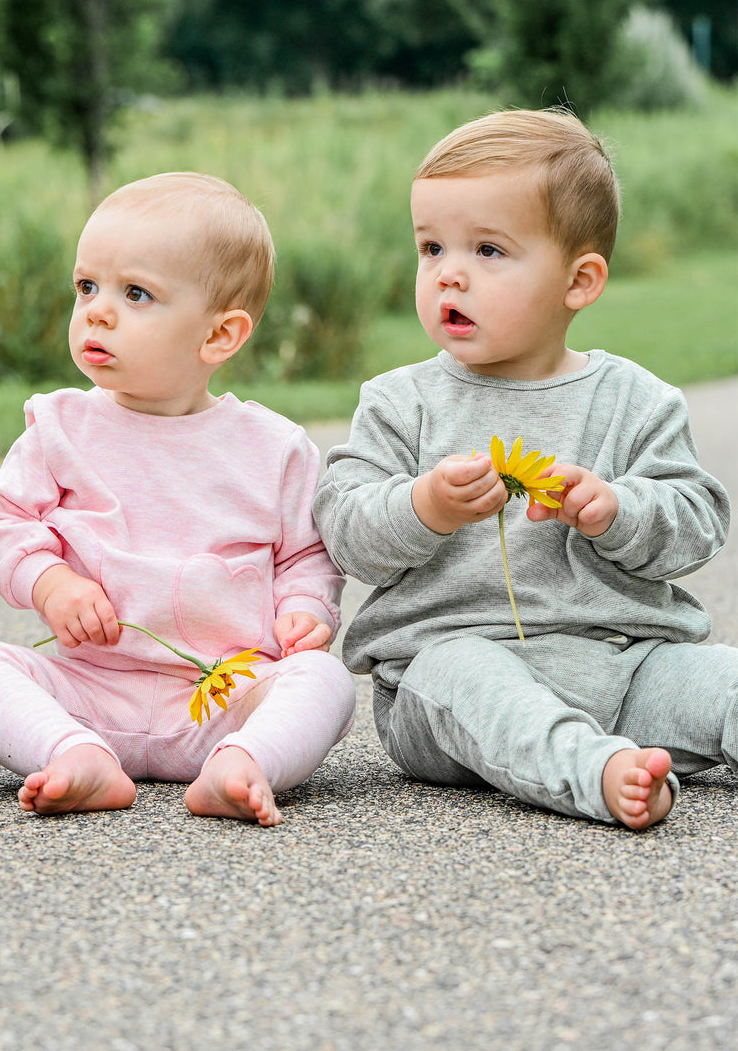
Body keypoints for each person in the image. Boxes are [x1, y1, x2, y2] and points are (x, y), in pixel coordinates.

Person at [313, 107, 732, 831]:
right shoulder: (400, 402)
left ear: (580, 280)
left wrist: (616, 510)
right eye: (431, 247)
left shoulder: (635, 400)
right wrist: (425, 506)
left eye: (488, 251)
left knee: (726, 679)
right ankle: (591, 770)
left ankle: (608, 747)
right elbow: (345, 527)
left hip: (628, 666)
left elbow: (697, 522)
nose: (450, 274)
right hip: (443, 680)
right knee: (470, 677)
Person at [0, 172, 355, 826]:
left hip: (223, 691)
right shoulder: (60, 427)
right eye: (87, 287)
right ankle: (75, 755)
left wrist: (305, 609)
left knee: (326, 684)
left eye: (135, 293)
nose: (98, 311)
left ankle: (244, 762)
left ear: (219, 335)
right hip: (92, 688)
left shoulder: (273, 447)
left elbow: (307, 555)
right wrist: (50, 583)